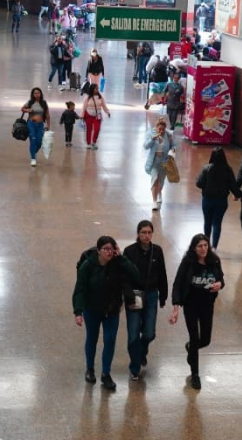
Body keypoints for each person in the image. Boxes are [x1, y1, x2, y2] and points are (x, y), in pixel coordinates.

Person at [72, 236, 141, 391]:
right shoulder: (88, 266)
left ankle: (106, 373)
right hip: (92, 310)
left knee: (110, 340)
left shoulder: (118, 263)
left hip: (112, 310)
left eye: (112, 249)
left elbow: (136, 275)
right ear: (98, 251)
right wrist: (78, 311)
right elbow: (80, 289)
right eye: (106, 249)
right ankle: (90, 369)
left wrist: (122, 258)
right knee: (92, 338)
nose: (109, 252)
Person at [168, 233, 224, 391]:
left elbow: (221, 279)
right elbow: (178, 284)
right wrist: (175, 309)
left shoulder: (214, 261)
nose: (203, 248)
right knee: (194, 337)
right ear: (194, 248)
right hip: (191, 305)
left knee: (205, 340)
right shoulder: (188, 263)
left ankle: (191, 348)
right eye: (200, 246)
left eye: (205, 245)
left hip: (207, 305)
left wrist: (219, 284)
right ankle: (195, 374)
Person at [122, 221, 169, 381]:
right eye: (143, 232)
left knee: (149, 333)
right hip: (134, 296)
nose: (146, 235)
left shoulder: (157, 251)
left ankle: (142, 350)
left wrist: (163, 296)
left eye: (149, 232)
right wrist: (127, 295)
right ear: (138, 234)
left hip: (150, 296)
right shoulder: (129, 251)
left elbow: (162, 273)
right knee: (133, 334)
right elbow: (124, 277)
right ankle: (135, 367)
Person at [196, 147, 238, 250]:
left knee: (207, 222)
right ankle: (214, 247)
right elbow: (233, 185)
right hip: (221, 201)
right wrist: (237, 195)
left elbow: (199, 183)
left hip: (207, 200)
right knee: (217, 223)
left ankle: (206, 245)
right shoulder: (228, 169)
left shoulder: (207, 168)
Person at [144, 117, 176, 211]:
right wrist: (152, 139)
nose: (161, 131)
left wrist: (173, 149)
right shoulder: (151, 134)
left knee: (161, 181)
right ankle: (154, 201)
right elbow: (145, 146)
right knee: (155, 180)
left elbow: (173, 145)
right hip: (154, 162)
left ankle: (159, 193)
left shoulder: (169, 135)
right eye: (159, 129)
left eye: (163, 129)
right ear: (156, 128)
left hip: (164, 162)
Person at [21, 87, 50, 167]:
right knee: (33, 140)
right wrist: (28, 110)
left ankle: (34, 151)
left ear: (41, 94)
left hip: (40, 125)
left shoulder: (44, 103)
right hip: (31, 124)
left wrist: (48, 125)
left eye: (38, 93)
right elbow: (22, 108)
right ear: (33, 95)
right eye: (35, 93)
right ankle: (33, 158)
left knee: (39, 142)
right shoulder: (30, 102)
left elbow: (47, 115)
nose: (37, 95)